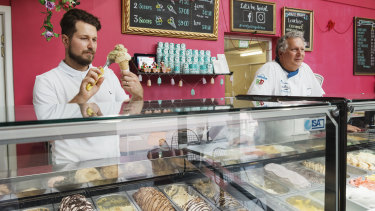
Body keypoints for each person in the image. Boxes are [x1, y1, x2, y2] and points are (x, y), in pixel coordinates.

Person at [33, 9, 144, 164]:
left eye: (94, 39)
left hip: (110, 166)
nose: (91, 46)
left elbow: (128, 119)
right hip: (70, 170)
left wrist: (138, 96)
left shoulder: (109, 75)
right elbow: (48, 135)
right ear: (65, 40)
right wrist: (81, 98)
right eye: (84, 38)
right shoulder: (46, 81)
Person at [248, 31, 360, 137]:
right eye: (294, 49)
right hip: (273, 138)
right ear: (281, 53)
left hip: (303, 136)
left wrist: (337, 124)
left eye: (302, 50)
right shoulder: (269, 69)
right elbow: (255, 100)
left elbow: (320, 103)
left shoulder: (305, 69)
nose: (300, 54)